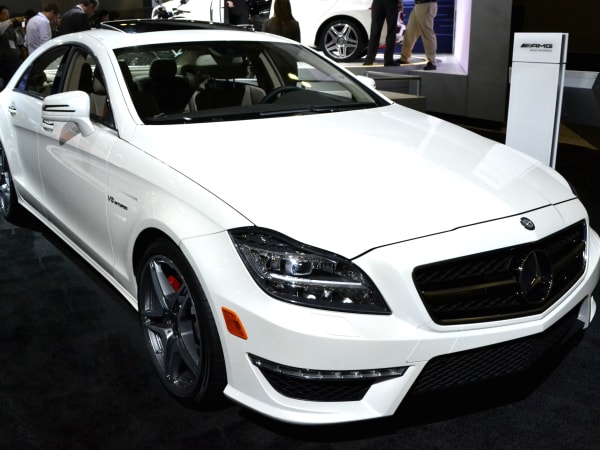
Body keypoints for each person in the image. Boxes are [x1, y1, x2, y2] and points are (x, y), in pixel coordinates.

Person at [399, 0, 437, 70]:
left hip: (426, 4)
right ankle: (404, 58)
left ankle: (432, 62)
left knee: (427, 34)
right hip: (418, 4)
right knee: (410, 32)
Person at [363, 0, 403, 66]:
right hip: (391, 3)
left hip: (377, 2)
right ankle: (388, 60)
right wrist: (400, 2)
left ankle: (369, 60)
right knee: (391, 31)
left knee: (375, 32)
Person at [0, 6, 24, 89]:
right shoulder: (2, 26)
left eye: (8, 13)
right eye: (4, 13)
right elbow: (2, 28)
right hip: (6, 60)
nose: (7, 15)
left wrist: (22, 28)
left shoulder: (10, 26)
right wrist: (13, 20)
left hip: (15, 58)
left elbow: (19, 41)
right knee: (8, 82)